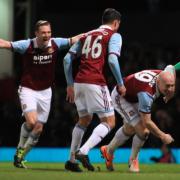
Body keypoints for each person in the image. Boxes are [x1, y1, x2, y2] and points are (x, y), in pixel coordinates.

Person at [0, 20, 82, 168]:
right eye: (43, 32)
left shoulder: (56, 43)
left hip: (46, 91)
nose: (47, 35)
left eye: (49, 32)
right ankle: (19, 149)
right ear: (36, 33)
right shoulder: (27, 45)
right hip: (28, 89)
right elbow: (5, 44)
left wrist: (95, 33)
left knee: (38, 128)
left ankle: (20, 158)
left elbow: (75, 39)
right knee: (31, 122)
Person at [63, 8, 126, 172]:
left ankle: (71, 161)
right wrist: (120, 83)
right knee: (109, 122)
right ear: (116, 23)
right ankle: (83, 151)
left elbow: (67, 59)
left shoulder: (86, 34)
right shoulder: (114, 35)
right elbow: (112, 60)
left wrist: (70, 84)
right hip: (95, 82)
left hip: (78, 82)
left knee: (83, 120)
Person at [100, 65, 175, 172]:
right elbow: (147, 122)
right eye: (167, 86)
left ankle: (108, 150)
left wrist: (170, 93)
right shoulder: (146, 94)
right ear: (158, 82)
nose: (170, 89)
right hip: (122, 97)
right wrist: (162, 136)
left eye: (172, 86)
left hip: (135, 95)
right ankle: (133, 161)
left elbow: (171, 67)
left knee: (129, 129)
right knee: (143, 131)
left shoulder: (167, 74)